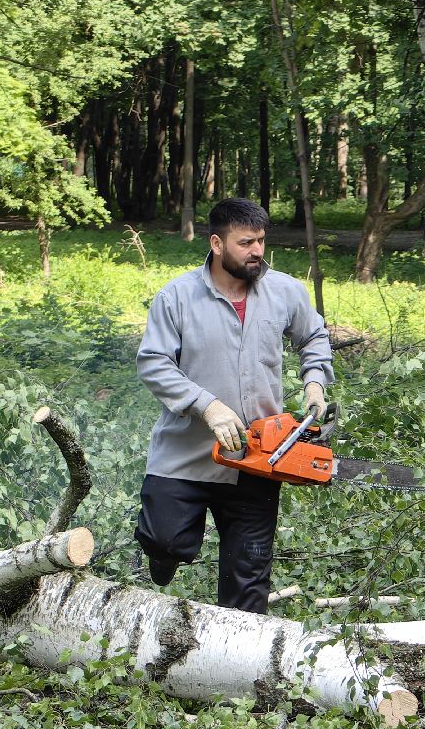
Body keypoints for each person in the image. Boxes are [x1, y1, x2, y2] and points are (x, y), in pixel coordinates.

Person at [134, 197, 334, 613]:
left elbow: (313, 336)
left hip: (259, 455)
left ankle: (245, 663)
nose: (257, 251)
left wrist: (314, 382)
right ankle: (165, 553)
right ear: (217, 243)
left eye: (261, 241)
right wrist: (207, 406)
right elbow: (154, 362)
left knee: (249, 575)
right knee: (164, 538)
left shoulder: (284, 291)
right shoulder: (177, 297)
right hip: (185, 454)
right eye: (245, 242)